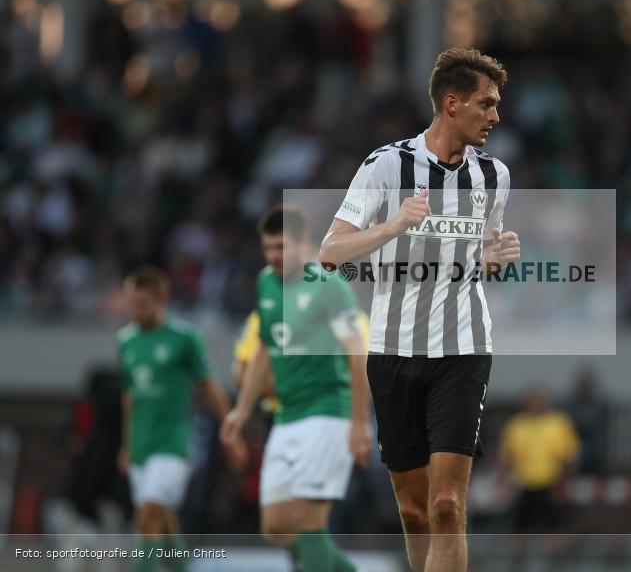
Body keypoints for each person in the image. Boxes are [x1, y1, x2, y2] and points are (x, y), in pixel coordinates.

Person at [319, 47, 521, 572]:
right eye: (487, 103)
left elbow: (475, 262)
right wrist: (392, 226)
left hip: (463, 350)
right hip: (392, 352)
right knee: (412, 511)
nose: (496, 116)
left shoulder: (494, 176)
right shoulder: (387, 165)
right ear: (451, 103)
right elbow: (330, 252)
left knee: (448, 506)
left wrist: (494, 260)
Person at [220, 205, 373, 572]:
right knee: (275, 527)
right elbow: (264, 349)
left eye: (282, 247)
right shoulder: (266, 284)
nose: (275, 256)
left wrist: (358, 423)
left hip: (327, 413)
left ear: (304, 244)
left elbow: (358, 356)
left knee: (309, 522)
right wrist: (241, 409)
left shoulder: (329, 286)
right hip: (286, 415)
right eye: (269, 247)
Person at [117, 266, 238, 572]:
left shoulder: (184, 339)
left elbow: (209, 385)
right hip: (141, 446)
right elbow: (130, 395)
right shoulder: (126, 340)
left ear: (162, 301)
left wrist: (230, 429)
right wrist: (127, 444)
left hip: (172, 443)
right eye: (132, 304)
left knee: (147, 515)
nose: (136, 311)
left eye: (142, 305)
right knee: (162, 521)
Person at [499, 389, 580, 533]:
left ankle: (553, 554)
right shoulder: (517, 425)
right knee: (520, 528)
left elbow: (570, 455)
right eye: (532, 402)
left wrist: (565, 481)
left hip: (552, 483)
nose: (535, 406)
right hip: (523, 485)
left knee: (554, 527)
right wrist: (507, 482)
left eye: (538, 402)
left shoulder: (559, 423)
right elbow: (507, 457)